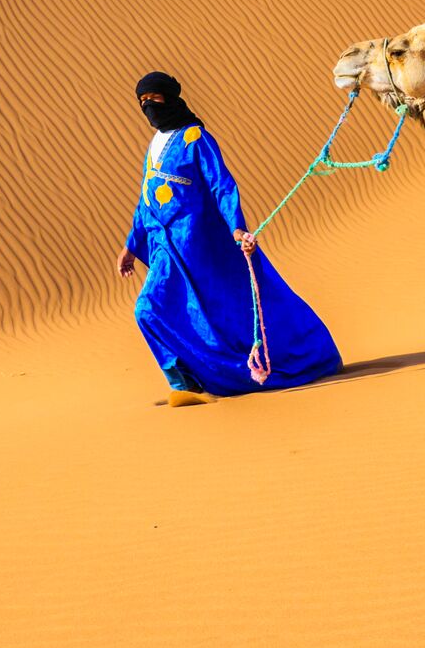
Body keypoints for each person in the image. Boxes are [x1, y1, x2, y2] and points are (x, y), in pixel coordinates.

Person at [116, 71, 342, 405]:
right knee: (148, 309)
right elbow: (146, 199)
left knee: (227, 310)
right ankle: (184, 382)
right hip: (165, 247)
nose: (148, 106)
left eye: (154, 98)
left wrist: (236, 226)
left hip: (200, 244)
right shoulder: (154, 145)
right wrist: (131, 245)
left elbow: (221, 183)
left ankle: (303, 354)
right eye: (142, 102)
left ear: (170, 97)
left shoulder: (194, 138)